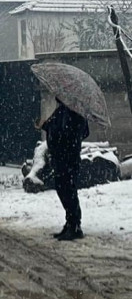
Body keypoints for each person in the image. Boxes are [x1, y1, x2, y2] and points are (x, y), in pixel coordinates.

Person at [42, 100, 90, 241]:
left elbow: (83, 132)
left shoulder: (75, 112)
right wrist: (44, 125)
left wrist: (67, 135)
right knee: (62, 188)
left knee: (68, 190)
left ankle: (75, 225)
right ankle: (70, 223)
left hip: (68, 158)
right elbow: (54, 127)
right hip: (60, 158)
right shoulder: (61, 111)